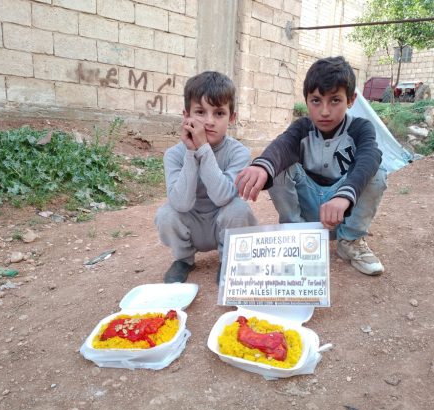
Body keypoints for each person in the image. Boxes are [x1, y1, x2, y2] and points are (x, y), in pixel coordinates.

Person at [235, 56, 387, 276]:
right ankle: (297, 238)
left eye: (335, 100)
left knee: (377, 172)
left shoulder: (361, 128)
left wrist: (344, 196)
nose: (324, 111)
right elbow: (283, 146)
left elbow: (369, 156)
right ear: (306, 100)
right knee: (276, 168)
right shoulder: (302, 128)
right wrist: (261, 166)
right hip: (308, 212)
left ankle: (350, 241)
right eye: (316, 100)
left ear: (351, 100)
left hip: (342, 211)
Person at [155, 71, 258, 283]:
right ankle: (184, 260)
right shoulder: (174, 155)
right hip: (191, 222)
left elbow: (222, 197)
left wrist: (203, 149)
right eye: (200, 112)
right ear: (186, 116)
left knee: (239, 208)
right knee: (166, 214)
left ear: (232, 118)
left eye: (219, 113)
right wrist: (192, 153)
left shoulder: (239, 153)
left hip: (222, 222)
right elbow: (181, 204)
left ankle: (228, 259)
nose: (209, 121)